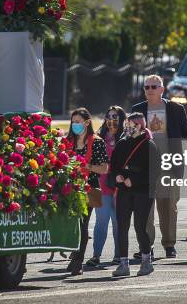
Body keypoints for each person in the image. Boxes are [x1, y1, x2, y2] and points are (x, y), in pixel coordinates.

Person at [132, 75, 187, 259]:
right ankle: (146, 246)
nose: (150, 89)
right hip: (145, 168)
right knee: (145, 209)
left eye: (154, 86)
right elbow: (129, 135)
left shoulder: (175, 109)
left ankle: (169, 245)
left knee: (168, 208)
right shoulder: (137, 110)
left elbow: (186, 129)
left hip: (169, 165)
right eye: (147, 87)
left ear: (162, 89)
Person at [110, 112, 161, 277]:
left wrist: (135, 180)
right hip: (124, 191)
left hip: (143, 192)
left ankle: (146, 260)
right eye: (127, 125)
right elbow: (114, 168)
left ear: (139, 126)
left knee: (140, 226)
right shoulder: (121, 144)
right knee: (122, 226)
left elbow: (154, 173)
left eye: (131, 125)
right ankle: (123, 264)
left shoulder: (149, 145)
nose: (127, 128)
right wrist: (117, 177)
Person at [66, 107, 109, 275]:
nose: (75, 125)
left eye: (78, 122)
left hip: (88, 188)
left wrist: (88, 166)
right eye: (73, 122)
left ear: (87, 122)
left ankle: (78, 261)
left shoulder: (97, 142)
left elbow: (104, 169)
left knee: (82, 224)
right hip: (68, 188)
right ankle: (74, 255)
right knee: (71, 224)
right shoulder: (68, 141)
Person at [86, 106, 125, 267]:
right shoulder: (98, 137)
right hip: (101, 184)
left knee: (118, 222)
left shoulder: (125, 137)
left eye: (115, 116)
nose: (111, 119)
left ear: (121, 118)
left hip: (120, 186)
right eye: (108, 116)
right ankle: (96, 255)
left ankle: (118, 255)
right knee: (101, 221)